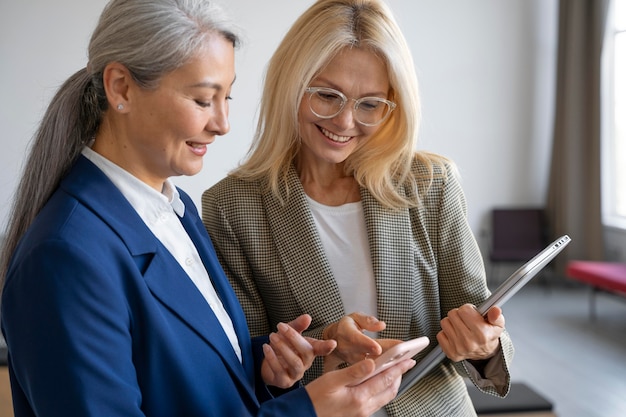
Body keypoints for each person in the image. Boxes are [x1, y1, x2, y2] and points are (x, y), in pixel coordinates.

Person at [0, 0, 416, 416]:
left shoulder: (176, 210)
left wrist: (266, 365)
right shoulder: (63, 257)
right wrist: (308, 411)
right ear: (121, 88)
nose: (222, 123)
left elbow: (185, 379)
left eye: (227, 97)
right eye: (203, 100)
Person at [201, 0, 515, 415]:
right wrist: (284, 363)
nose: (345, 122)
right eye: (327, 96)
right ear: (290, 84)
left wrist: (483, 344)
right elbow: (246, 358)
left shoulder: (431, 184)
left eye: (369, 104)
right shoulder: (231, 206)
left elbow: (477, 315)